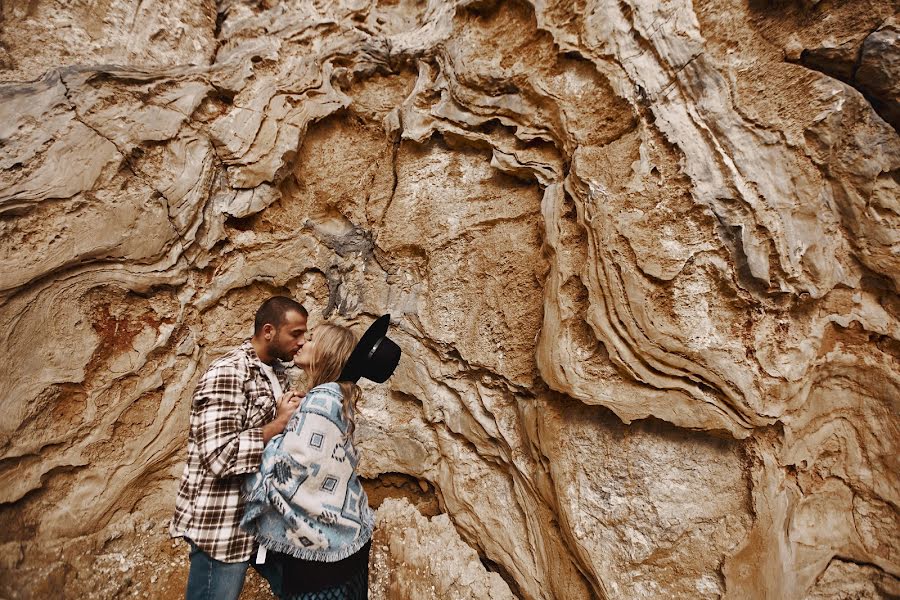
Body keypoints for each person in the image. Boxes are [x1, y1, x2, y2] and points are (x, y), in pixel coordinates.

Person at [240, 315, 401, 600]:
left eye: (312, 339)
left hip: (320, 558)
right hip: (347, 543)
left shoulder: (321, 400)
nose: (302, 342)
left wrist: (276, 427)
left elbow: (288, 468)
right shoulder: (336, 396)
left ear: (326, 353)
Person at [170, 295, 309, 600]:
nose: (302, 342)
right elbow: (218, 457)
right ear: (269, 331)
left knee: (300, 585)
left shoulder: (276, 372)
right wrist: (277, 424)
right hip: (222, 523)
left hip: (261, 516)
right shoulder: (229, 373)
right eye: (296, 333)